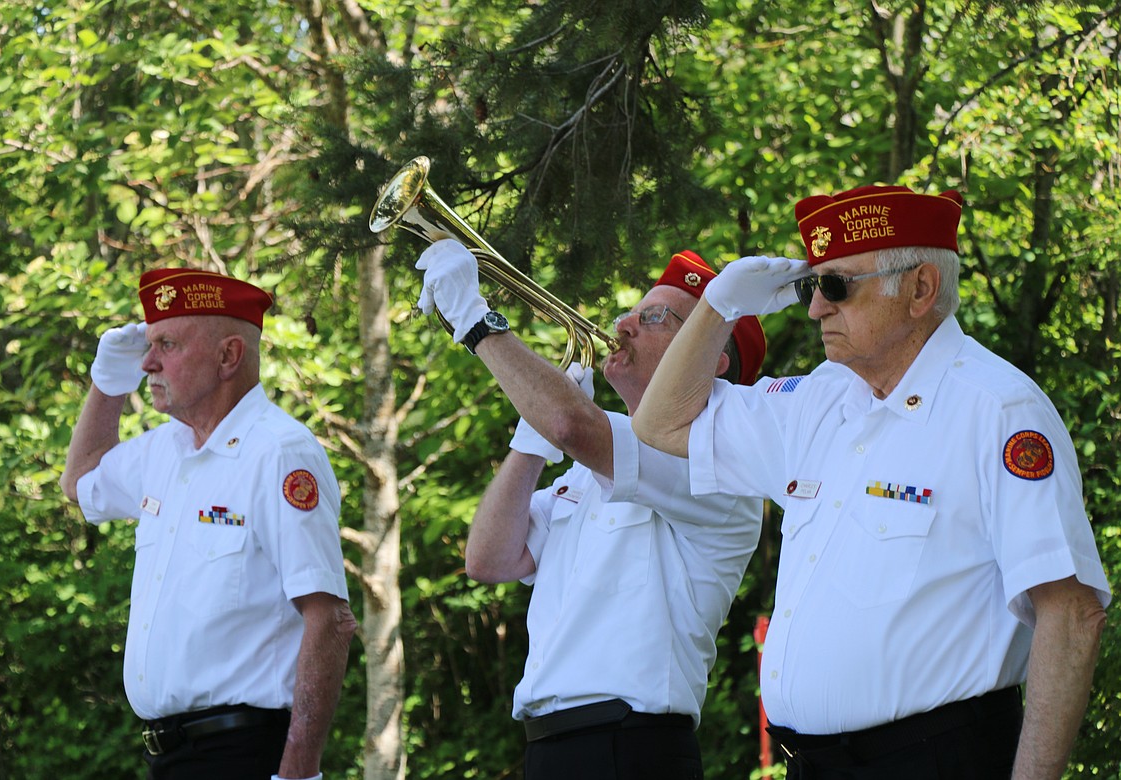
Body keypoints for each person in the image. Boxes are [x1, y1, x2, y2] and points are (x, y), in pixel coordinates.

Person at [630, 185, 1112, 780]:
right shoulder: (820, 401)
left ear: (920, 290)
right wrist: (718, 307)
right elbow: (659, 424)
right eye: (813, 286)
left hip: (937, 759)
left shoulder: (997, 411)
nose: (814, 309)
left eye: (837, 287)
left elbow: (1071, 613)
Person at [413, 239, 768, 780]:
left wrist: (473, 320)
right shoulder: (588, 469)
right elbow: (489, 559)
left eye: (654, 318)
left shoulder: (715, 454)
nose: (624, 325)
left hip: (632, 746)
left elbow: (572, 426)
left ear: (710, 359)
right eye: (632, 312)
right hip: (552, 745)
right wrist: (528, 446)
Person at [59, 268, 357, 780]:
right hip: (168, 757)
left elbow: (329, 619)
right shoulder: (164, 449)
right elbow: (80, 482)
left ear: (228, 357)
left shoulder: (279, 453)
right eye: (149, 345)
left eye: (167, 344)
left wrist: (298, 771)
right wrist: (106, 385)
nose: (148, 362)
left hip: (243, 753)